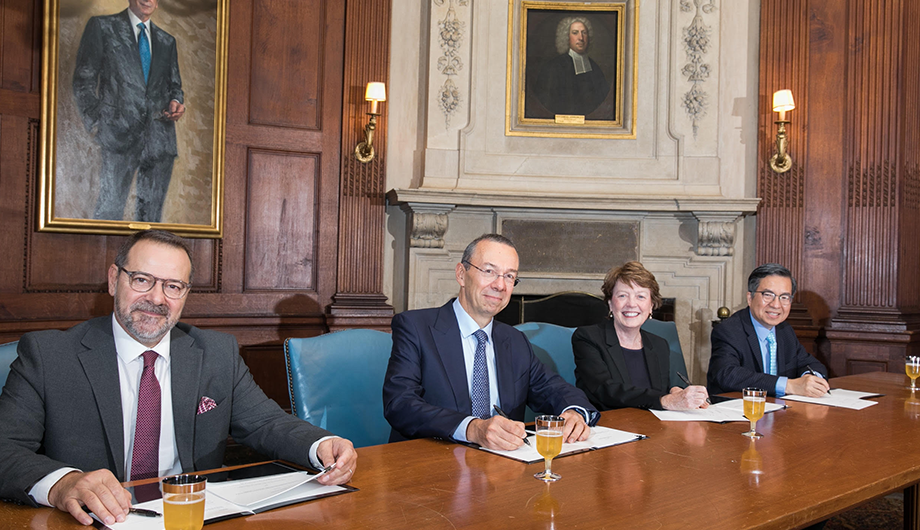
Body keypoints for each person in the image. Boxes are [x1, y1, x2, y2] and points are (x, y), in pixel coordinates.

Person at [0, 230, 357, 526]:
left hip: (194, 517)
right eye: (142, 280)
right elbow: (5, 448)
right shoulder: (49, 356)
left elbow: (264, 422)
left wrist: (320, 445)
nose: (157, 298)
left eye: (173, 286)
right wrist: (64, 484)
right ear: (113, 279)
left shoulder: (215, 353)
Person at [383, 234, 599, 451]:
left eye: (509, 276)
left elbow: (554, 389)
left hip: (503, 468)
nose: (500, 285)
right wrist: (473, 429)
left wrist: (574, 413)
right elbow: (400, 404)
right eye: (489, 271)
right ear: (461, 274)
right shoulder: (416, 327)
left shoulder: (514, 340)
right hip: (432, 462)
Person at [73, 0, 186, 223]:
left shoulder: (167, 41)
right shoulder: (102, 27)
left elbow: (175, 86)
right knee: (108, 214)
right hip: (117, 136)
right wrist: (96, 122)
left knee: (150, 222)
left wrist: (176, 101)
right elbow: (83, 80)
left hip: (159, 141)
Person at [573, 261, 709, 411]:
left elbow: (656, 392)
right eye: (623, 295)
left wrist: (674, 392)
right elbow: (604, 390)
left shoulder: (659, 344)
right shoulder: (587, 338)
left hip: (653, 426)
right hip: (609, 426)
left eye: (641, 297)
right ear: (611, 304)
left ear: (651, 306)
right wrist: (665, 400)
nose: (631, 304)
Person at [707, 263, 829, 397]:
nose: (776, 305)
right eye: (768, 295)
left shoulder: (784, 330)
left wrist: (810, 380)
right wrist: (789, 386)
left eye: (784, 297)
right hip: (738, 411)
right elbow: (727, 374)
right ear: (750, 298)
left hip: (779, 411)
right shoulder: (729, 330)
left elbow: (811, 364)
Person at [532, 16, 611, 117]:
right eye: (575, 33)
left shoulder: (594, 67)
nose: (581, 38)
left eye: (584, 33)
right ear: (566, 37)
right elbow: (547, 102)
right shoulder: (554, 67)